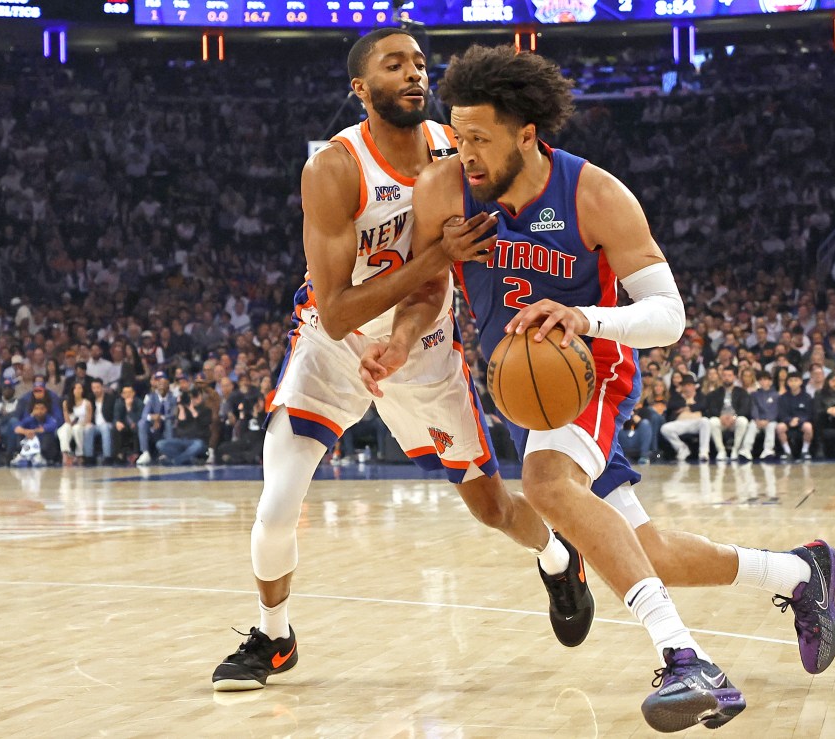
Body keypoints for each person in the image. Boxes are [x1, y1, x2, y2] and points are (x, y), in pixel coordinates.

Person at [360, 44, 835, 732]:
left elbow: (669, 315)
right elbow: (429, 289)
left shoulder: (595, 194)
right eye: (456, 135)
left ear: (526, 134)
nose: (460, 152)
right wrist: (401, 341)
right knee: (648, 553)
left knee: (548, 486)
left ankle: (688, 659)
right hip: (523, 387)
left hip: (589, 368)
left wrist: (585, 317)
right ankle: (801, 572)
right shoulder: (441, 191)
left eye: (477, 138)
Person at [212, 29, 598, 698]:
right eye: (395, 65)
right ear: (361, 89)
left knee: (492, 507)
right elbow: (334, 312)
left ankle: (561, 558)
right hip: (333, 346)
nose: (416, 73)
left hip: (423, 347)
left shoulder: (456, 151)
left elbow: (435, 281)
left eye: (421, 62)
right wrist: (437, 258)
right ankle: (274, 636)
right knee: (276, 507)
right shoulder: (334, 168)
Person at [704, 365, 752, 462]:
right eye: (724, 375)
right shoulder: (715, 393)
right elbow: (711, 408)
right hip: (721, 420)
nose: (727, 378)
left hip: (735, 420)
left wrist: (734, 417)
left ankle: (735, 449)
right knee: (712, 421)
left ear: (734, 377)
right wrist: (720, 416)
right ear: (721, 377)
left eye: (729, 375)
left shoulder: (742, 392)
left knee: (743, 421)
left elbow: (745, 409)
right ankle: (721, 450)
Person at [660, 373, 711, 462]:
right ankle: (682, 449)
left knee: (705, 421)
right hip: (681, 423)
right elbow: (672, 405)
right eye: (685, 385)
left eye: (690, 385)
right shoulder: (677, 396)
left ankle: (704, 452)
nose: (687, 388)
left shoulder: (700, 396)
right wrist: (689, 405)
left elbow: (703, 405)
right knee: (665, 428)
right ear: (682, 387)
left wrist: (686, 408)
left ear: (694, 386)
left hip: (696, 422)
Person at [156, 388, 211, 465]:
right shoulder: (184, 411)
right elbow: (181, 425)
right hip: (182, 441)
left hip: (197, 441)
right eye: (190, 398)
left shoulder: (206, 410)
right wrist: (181, 408)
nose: (192, 400)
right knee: (160, 444)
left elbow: (203, 423)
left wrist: (191, 409)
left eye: (193, 397)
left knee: (198, 445)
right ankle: (188, 459)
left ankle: (176, 461)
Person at [777, 373, 814, 461]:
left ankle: (805, 451)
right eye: (791, 381)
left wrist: (799, 420)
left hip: (802, 421)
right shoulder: (783, 398)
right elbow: (781, 414)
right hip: (788, 422)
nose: (793, 383)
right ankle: (787, 451)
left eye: (796, 380)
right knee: (779, 427)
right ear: (787, 383)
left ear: (801, 382)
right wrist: (789, 420)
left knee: (808, 427)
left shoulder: (807, 397)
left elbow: (810, 414)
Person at [57, 382, 93, 465]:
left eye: (80, 388)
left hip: (82, 425)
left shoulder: (87, 403)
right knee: (64, 428)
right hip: (70, 425)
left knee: (77, 428)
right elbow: (67, 420)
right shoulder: (66, 403)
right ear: (72, 390)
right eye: (76, 388)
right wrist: (71, 425)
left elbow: (88, 420)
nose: (78, 390)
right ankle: (65, 453)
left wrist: (79, 424)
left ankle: (79, 454)